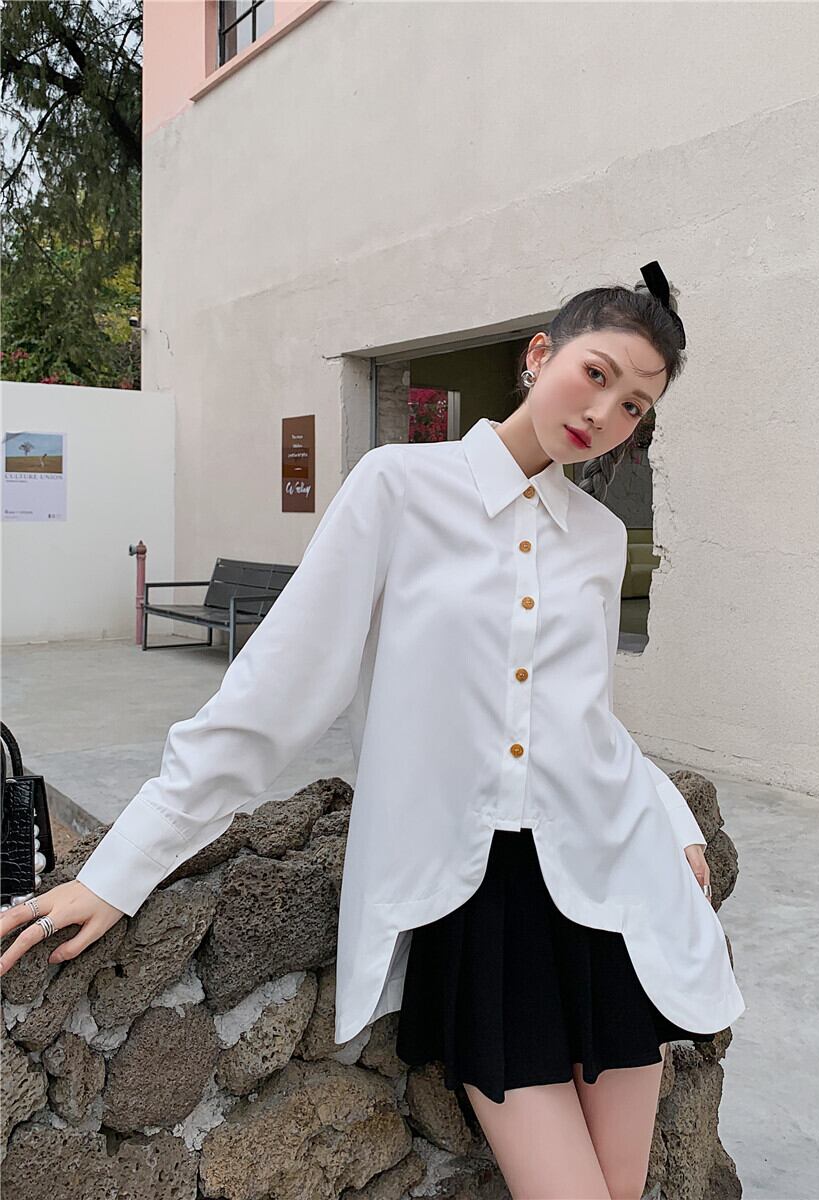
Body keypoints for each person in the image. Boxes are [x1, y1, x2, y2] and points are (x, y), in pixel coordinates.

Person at [0, 263, 745, 1199]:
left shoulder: (595, 539)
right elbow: (274, 693)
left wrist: (670, 816)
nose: (603, 414)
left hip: (615, 891)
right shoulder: (397, 487)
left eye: (634, 405)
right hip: (482, 904)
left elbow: (586, 720)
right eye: (595, 374)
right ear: (538, 354)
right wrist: (120, 867)